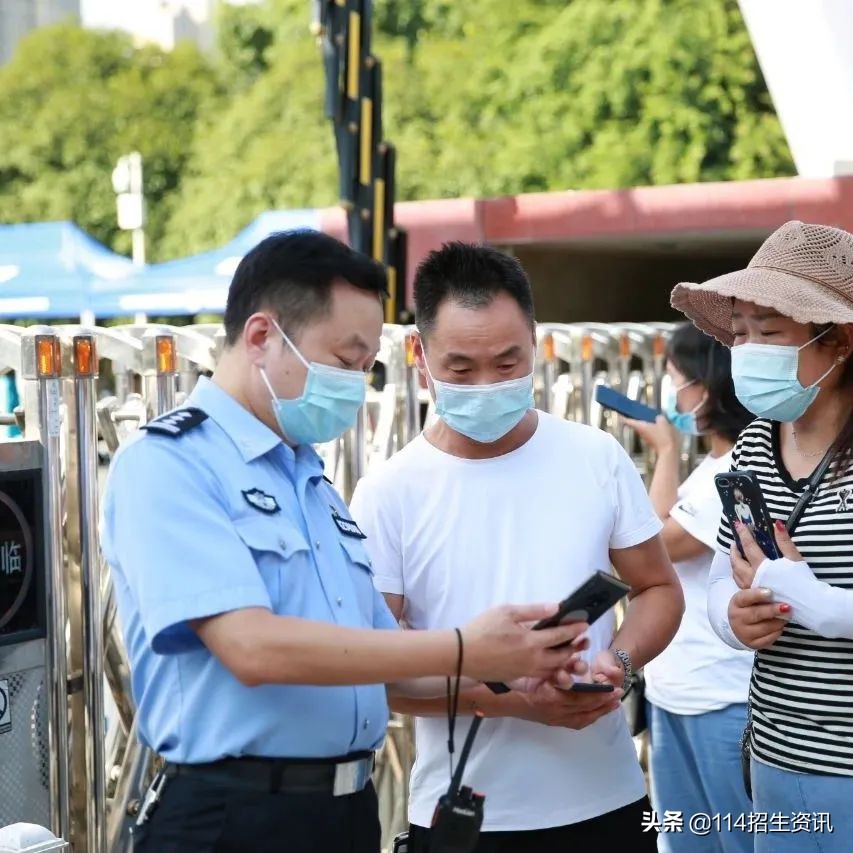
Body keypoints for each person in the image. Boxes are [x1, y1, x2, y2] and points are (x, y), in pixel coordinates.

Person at [99, 231, 589, 853]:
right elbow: (251, 647)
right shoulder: (171, 465)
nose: (356, 385)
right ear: (261, 337)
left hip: (343, 813)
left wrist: (515, 681)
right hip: (235, 816)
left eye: (365, 368)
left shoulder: (307, 476)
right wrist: (467, 646)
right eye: (344, 360)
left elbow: (381, 664)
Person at [349, 242, 684, 852]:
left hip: (609, 803)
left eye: (507, 364)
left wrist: (621, 663)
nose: (486, 384)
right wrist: (506, 701)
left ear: (534, 341)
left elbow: (659, 588)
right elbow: (373, 669)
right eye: (460, 368)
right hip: (464, 820)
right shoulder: (388, 493)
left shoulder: (595, 458)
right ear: (420, 357)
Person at [671, 219, 853, 853]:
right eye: (741, 333)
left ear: (839, 342)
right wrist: (733, 617)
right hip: (774, 757)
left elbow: (792, 587)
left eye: (770, 333)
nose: (748, 350)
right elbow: (726, 573)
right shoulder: (753, 443)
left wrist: (798, 591)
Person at [624, 322, 754, 853]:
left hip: (721, 699)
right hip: (673, 694)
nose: (672, 396)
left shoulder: (741, 465)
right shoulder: (709, 468)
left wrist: (665, 450)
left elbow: (656, 543)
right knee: (685, 842)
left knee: (740, 841)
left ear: (707, 385)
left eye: (677, 381)